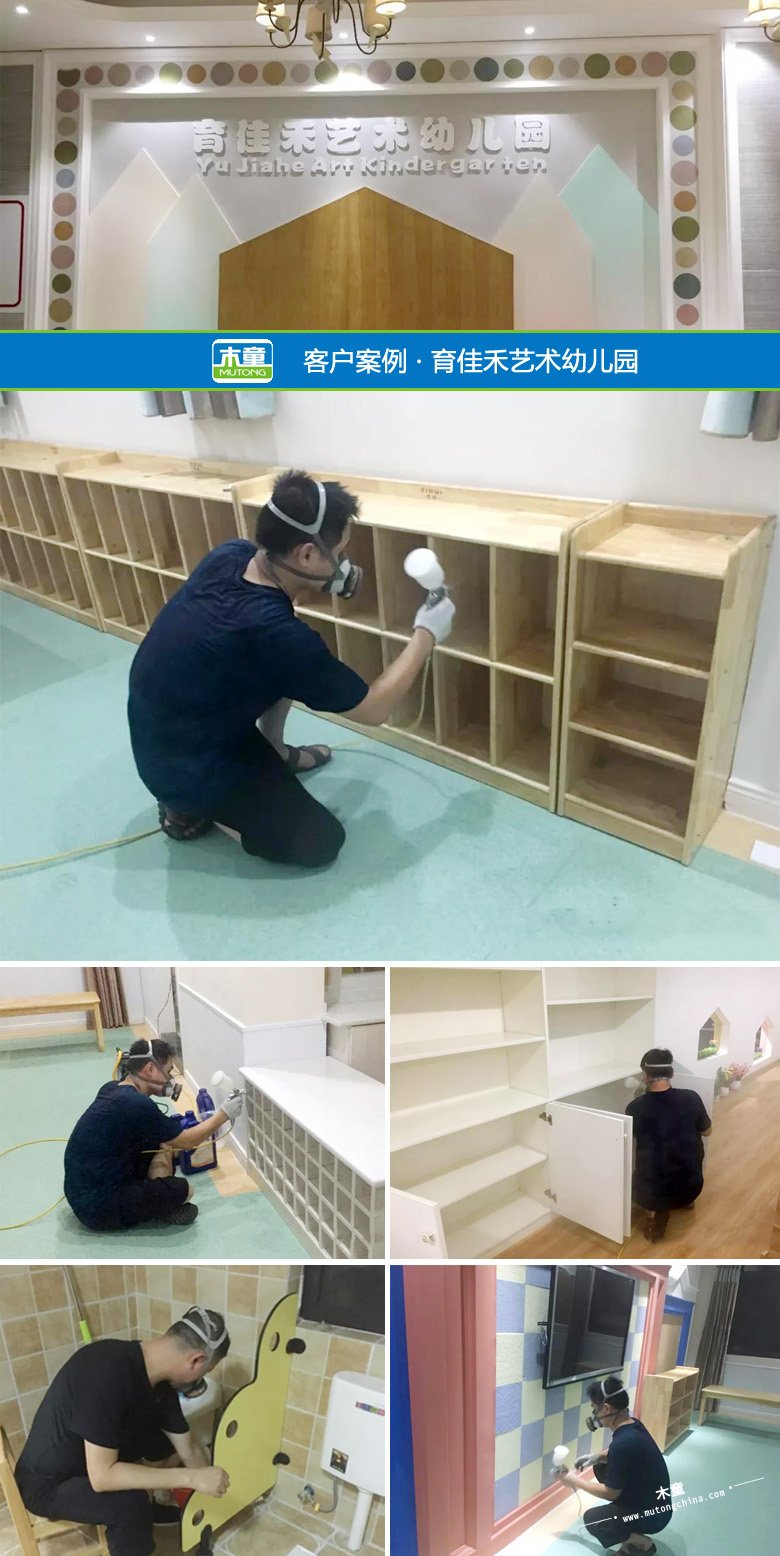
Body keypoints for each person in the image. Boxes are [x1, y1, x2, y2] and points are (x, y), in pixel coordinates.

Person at [127, 468, 455, 868]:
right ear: (306, 554)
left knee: (280, 666)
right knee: (319, 842)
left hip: (177, 722)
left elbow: (267, 654)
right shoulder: (275, 634)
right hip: (184, 763)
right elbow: (373, 710)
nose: (344, 563)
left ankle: (274, 752)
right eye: (339, 552)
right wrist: (426, 633)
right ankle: (187, 809)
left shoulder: (231, 555)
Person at [15, 1306, 230, 1556]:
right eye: (204, 1374)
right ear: (196, 1361)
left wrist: (213, 1491)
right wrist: (192, 1478)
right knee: (130, 1503)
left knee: (162, 1441)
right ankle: (139, 1513)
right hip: (47, 1483)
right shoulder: (105, 1370)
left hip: (87, 1459)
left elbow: (189, 1448)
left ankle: (146, 1507)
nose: (198, 1382)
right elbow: (102, 1477)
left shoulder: (160, 1382)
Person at [64, 1038, 243, 1232]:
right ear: (150, 1069)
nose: (170, 1079)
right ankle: (162, 1206)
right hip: (97, 1208)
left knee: (161, 1144)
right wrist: (224, 1114)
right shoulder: (136, 1104)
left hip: (82, 1190)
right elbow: (187, 1141)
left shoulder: (113, 1088)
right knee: (185, 1190)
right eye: (168, 1071)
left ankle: (157, 1197)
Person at [558, 1375, 672, 1555]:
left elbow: (610, 1493)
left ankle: (642, 1543)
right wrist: (596, 1457)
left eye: (595, 1409)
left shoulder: (622, 1443)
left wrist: (574, 1481)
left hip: (654, 1517)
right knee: (600, 1467)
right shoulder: (634, 1425)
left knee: (594, 1520)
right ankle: (626, 1521)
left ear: (606, 1408)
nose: (594, 1415)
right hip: (657, 1503)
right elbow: (624, 1456)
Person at [625, 1048, 712, 1242]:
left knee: (647, 1163)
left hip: (650, 1195)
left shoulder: (635, 1107)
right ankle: (684, 1202)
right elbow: (708, 1131)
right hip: (691, 1188)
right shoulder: (692, 1098)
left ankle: (652, 1217)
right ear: (671, 1073)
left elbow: (630, 1142)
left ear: (645, 1075)